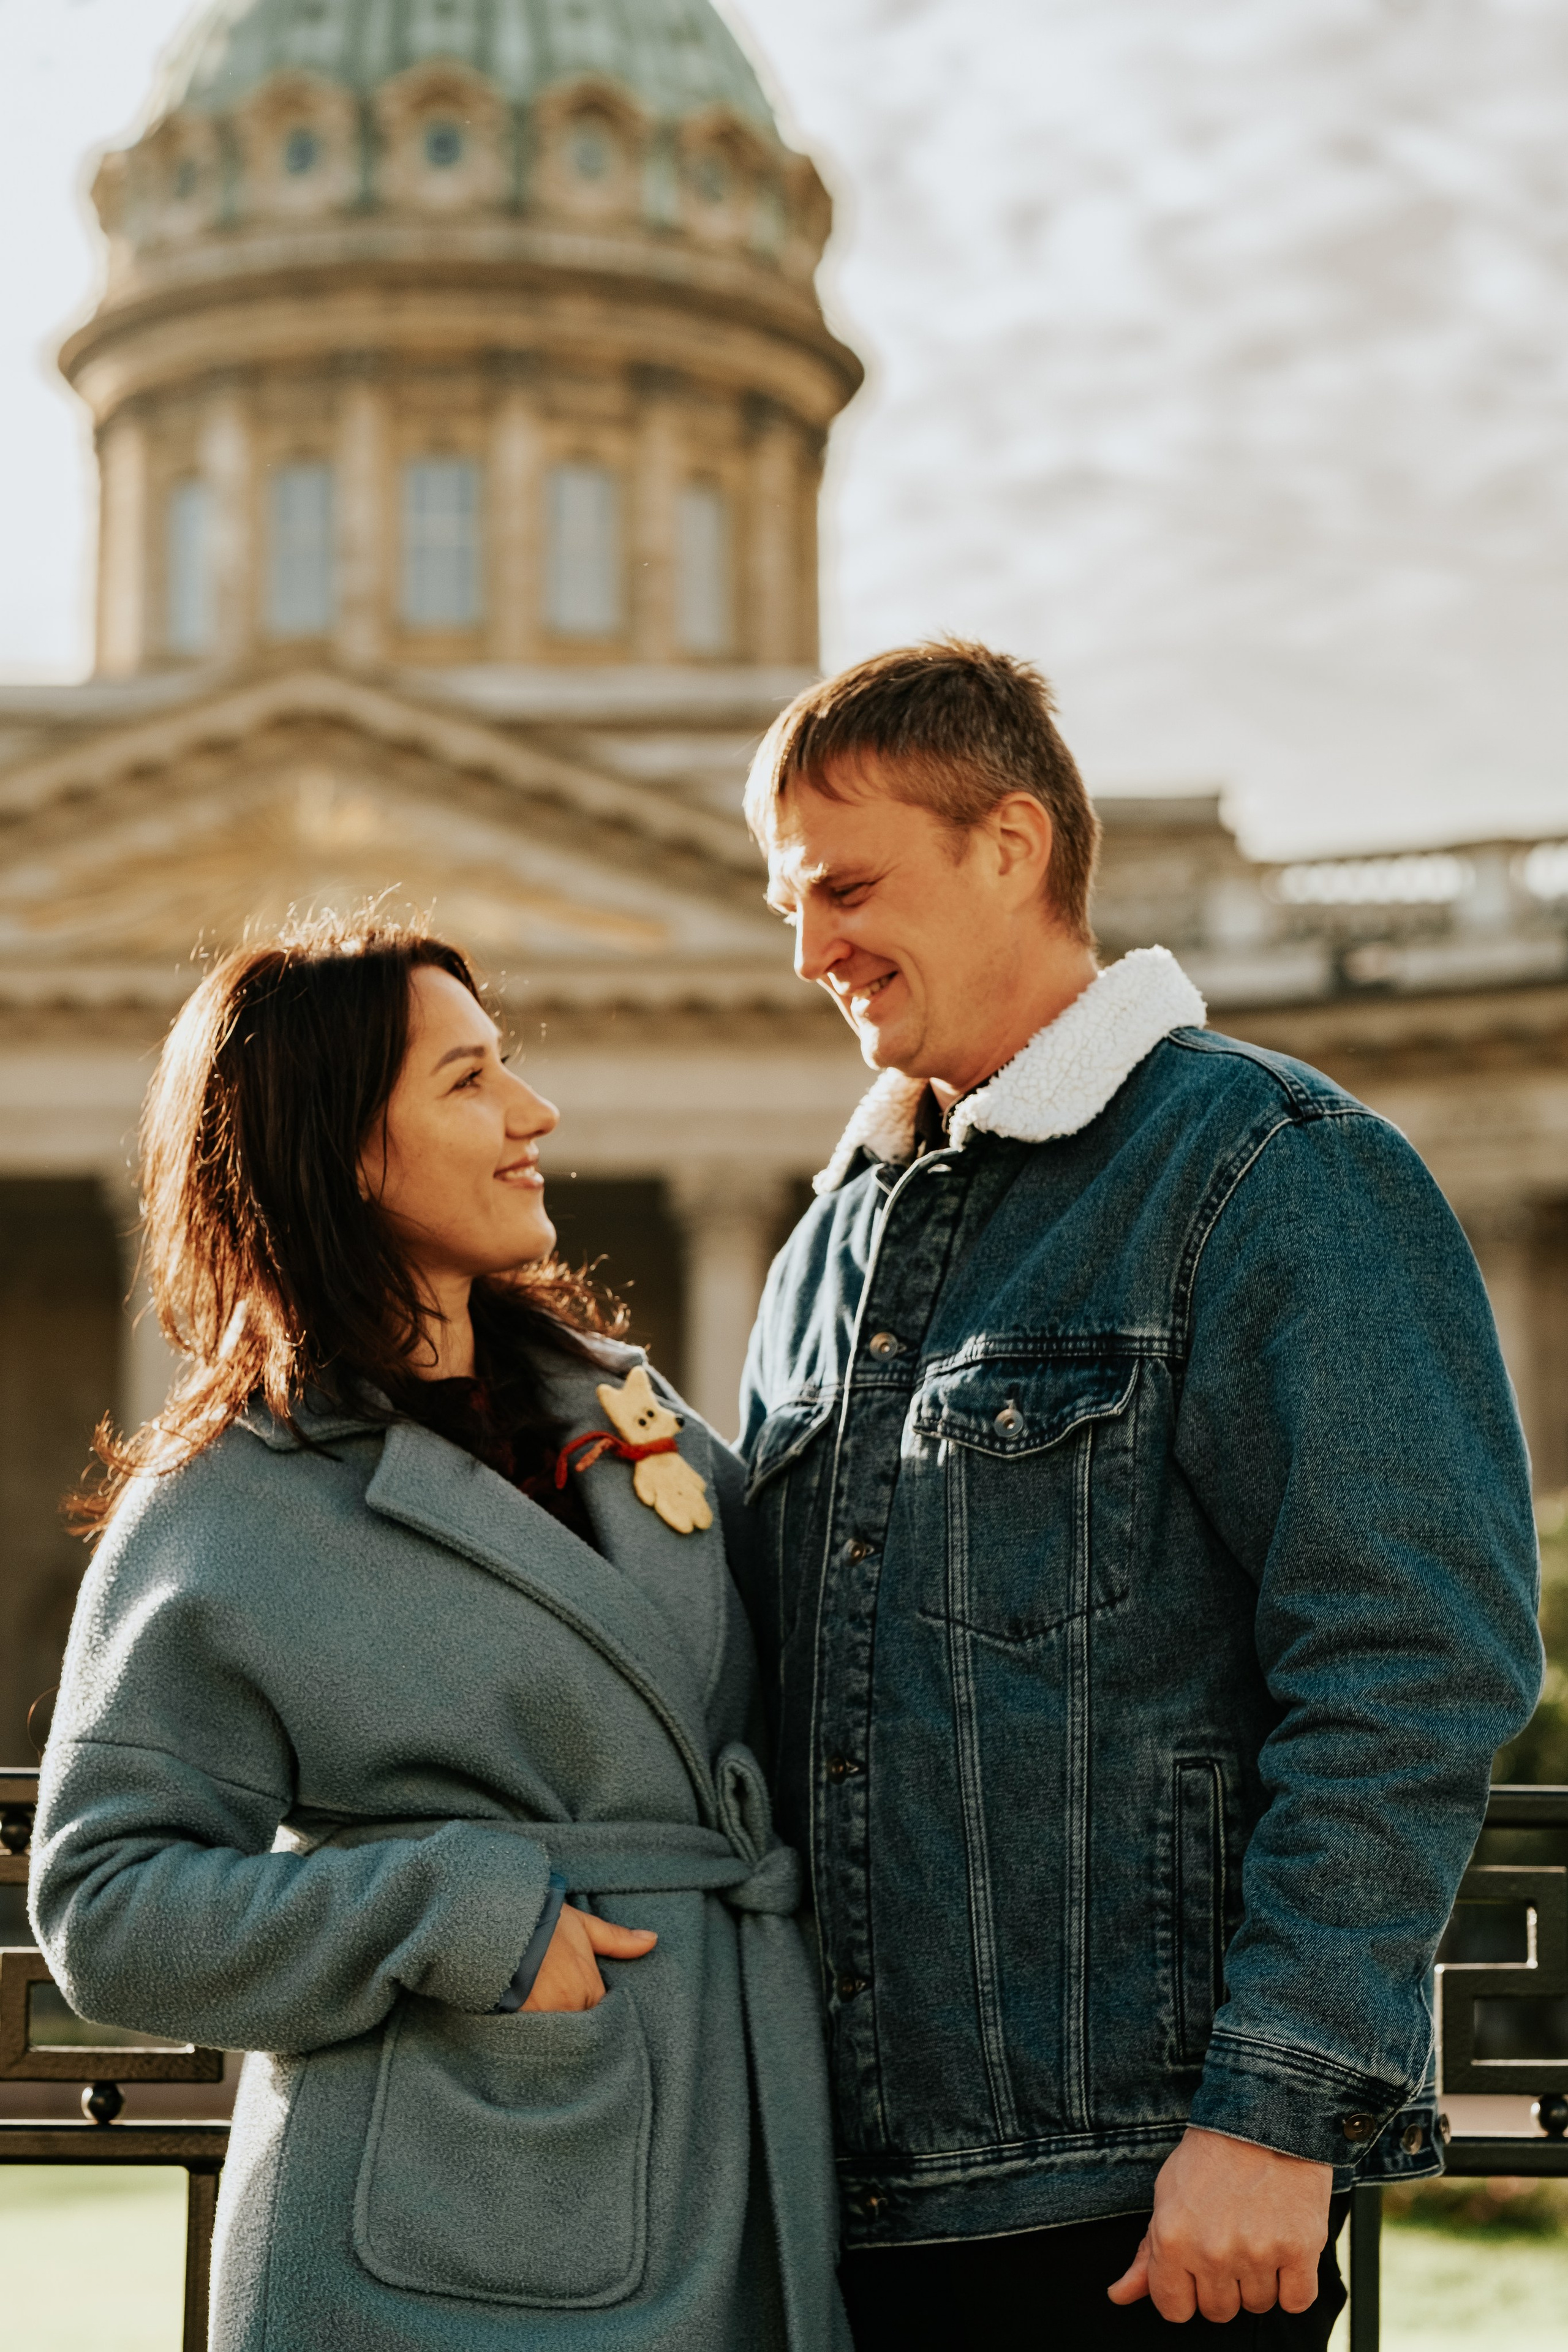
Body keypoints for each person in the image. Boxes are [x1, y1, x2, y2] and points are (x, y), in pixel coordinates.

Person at [736, 641, 1543, 2347]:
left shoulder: (1274, 1169)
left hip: (1144, 2212)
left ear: (1012, 846)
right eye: (788, 905)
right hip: (833, 2210)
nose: (809, 953)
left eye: (850, 887)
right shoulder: (823, 1249)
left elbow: (1419, 1662)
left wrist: (1276, 2110)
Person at [31, 919, 848, 2352]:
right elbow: (108, 1907)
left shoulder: (630, 1415)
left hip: (730, 2163)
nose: (534, 1116)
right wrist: (457, 1915)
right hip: (433, 2223)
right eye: (469, 1081)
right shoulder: (235, 1492)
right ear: (344, 1145)